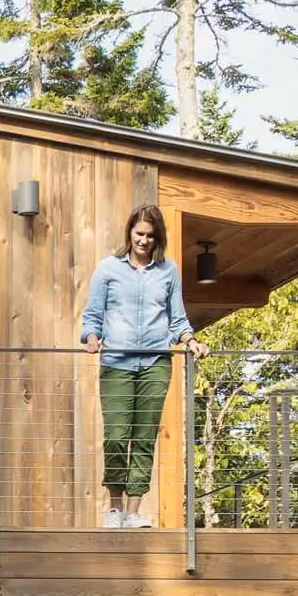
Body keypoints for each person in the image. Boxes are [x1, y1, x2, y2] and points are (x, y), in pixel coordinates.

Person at [78, 207, 207, 529]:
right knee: (117, 435)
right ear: (130, 233)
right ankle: (115, 509)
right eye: (139, 234)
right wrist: (92, 336)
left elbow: (176, 318)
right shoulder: (109, 268)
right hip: (117, 363)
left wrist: (191, 341)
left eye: (150, 235)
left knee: (144, 436)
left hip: (155, 362)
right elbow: (93, 314)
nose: (144, 240)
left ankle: (134, 512)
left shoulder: (168, 271)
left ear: (157, 237)